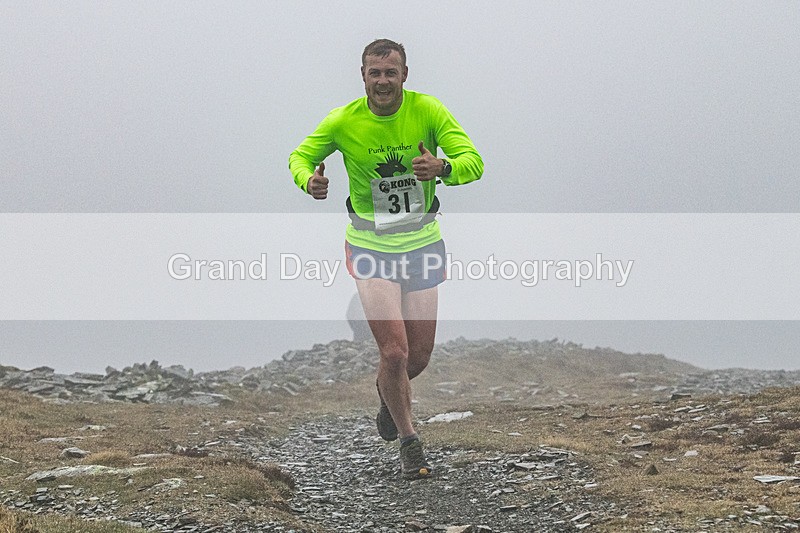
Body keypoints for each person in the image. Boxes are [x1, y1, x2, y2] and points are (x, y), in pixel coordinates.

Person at [289, 38, 483, 480]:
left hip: (422, 242)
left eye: (390, 72)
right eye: (374, 73)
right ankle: (410, 439)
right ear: (363, 76)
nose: (382, 81)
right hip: (370, 245)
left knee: (417, 358)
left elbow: (474, 161)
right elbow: (300, 157)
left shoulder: (428, 110)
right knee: (393, 352)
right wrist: (308, 181)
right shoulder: (343, 121)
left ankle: (386, 395)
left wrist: (444, 169)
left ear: (404, 75)